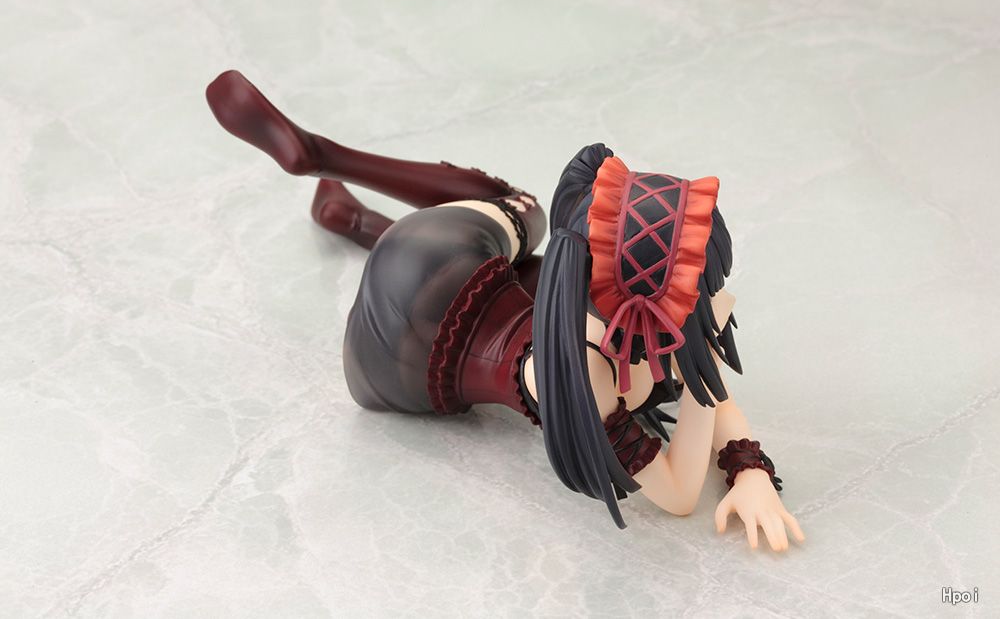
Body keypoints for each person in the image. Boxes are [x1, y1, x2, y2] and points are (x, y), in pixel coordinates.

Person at [206, 71, 805, 550]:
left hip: (427, 288)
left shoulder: (606, 306)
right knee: (526, 229)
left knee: (524, 216)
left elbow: (707, 388)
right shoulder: (591, 366)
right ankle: (331, 177)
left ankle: (341, 193)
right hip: (400, 360)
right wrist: (708, 363)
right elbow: (677, 494)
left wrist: (750, 473)